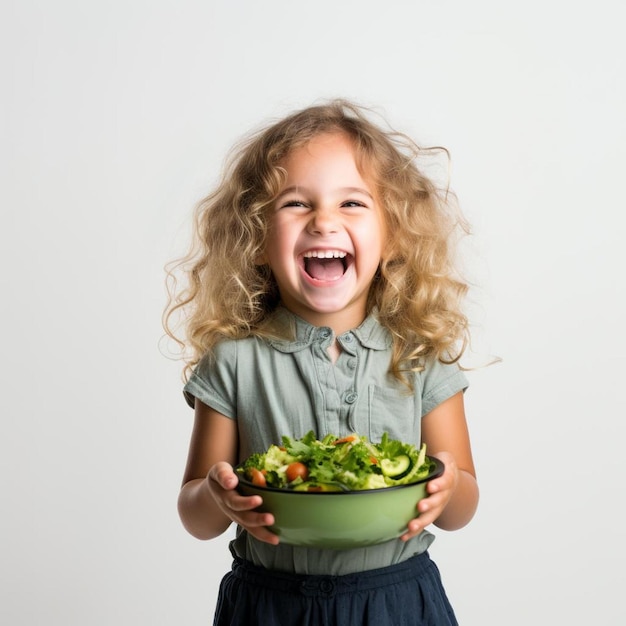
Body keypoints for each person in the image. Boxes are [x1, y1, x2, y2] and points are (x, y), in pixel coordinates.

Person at [164, 99, 480, 625]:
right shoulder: (235, 360)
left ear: (394, 234)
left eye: (352, 203)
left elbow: (461, 505)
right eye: (295, 204)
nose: (323, 222)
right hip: (269, 605)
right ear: (257, 238)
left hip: (397, 601)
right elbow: (195, 514)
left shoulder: (417, 353)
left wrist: (446, 485)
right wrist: (220, 497)